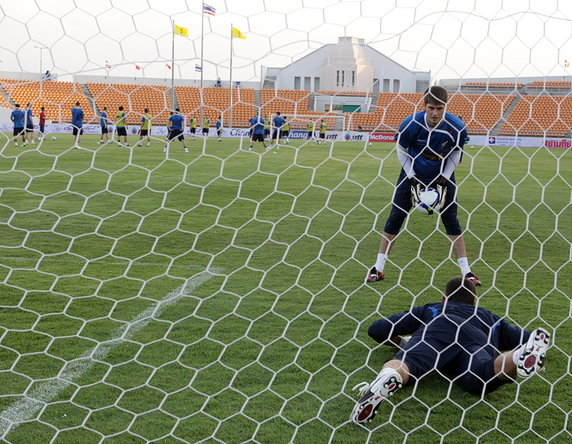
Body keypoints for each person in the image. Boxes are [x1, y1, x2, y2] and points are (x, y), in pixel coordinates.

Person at [350, 277, 551, 425]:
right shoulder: (490, 318)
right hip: (475, 342)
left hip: (439, 330)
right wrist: (529, 344)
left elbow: (377, 329)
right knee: (481, 376)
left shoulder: (434, 308)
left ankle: (389, 376)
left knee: (408, 364)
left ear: (444, 298)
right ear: (474, 301)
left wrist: (403, 343)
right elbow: (529, 338)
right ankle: (516, 358)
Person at [366, 86, 481, 286]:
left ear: (445, 106)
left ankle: (467, 271)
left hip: (442, 176)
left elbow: (456, 152)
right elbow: (401, 149)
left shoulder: (456, 127)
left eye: (440, 108)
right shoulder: (410, 124)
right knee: (395, 218)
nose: (435, 113)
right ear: (424, 106)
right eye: (431, 108)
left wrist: (444, 176)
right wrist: (411, 175)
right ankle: (378, 267)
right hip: (411, 173)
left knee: (451, 220)